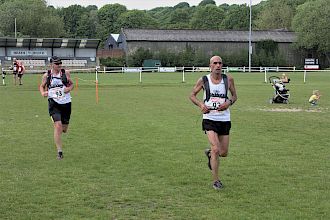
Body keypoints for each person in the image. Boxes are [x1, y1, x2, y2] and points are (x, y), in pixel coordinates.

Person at [189, 55, 237, 190]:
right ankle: (216, 181)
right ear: (210, 66)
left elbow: (234, 96)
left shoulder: (228, 79)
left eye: (220, 63)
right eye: (215, 63)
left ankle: (210, 154)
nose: (218, 65)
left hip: (224, 118)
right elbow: (192, 95)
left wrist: (228, 103)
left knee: (223, 152)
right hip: (209, 118)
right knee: (216, 149)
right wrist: (201, 105)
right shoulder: (204, 80)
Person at [39, 56, 74, 160]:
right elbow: (42, 86)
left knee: (64, 129)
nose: (59, 65)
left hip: (66, 103)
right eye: (57, 64)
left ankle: (62, 126)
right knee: (58, 126)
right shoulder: (47, 75)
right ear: (51, 65)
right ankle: (59, 152)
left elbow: (72, 84)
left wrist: (68, 89)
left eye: (60, 63)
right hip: (53, 103)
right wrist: (42, 93)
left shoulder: (65, 73)